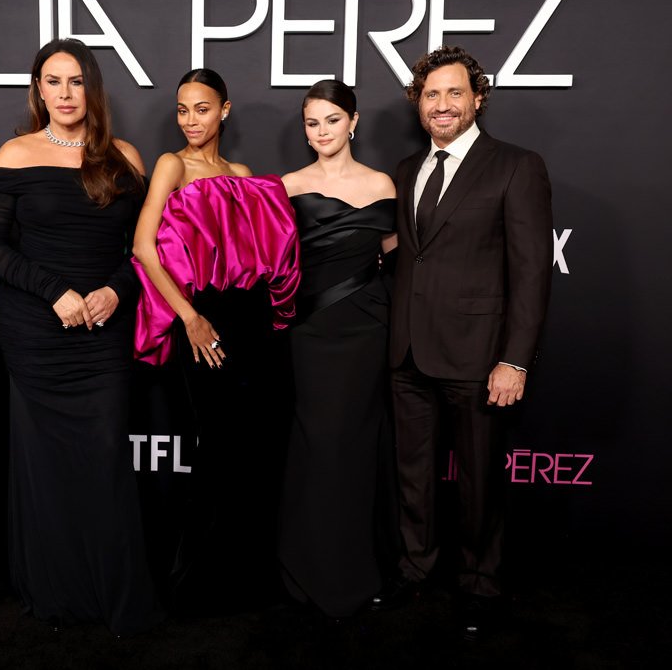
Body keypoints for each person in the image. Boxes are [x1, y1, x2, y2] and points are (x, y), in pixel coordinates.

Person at [0, 38, 161, 636]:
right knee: (45, 465)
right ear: (38, 90)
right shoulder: (15, 154)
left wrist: (112, 291)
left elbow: (145, 250)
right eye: (53, 82)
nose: (64, 93)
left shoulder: (123, 156)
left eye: (76, 81)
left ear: (92, 89)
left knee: (103, 462)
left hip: (102, 333)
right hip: (35, 331)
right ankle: (53, 589)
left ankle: (111, 591)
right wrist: (54, 291)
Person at [372, 46, 553, 640]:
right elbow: (411, 253)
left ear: (478, 98)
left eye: (454, 93)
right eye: (431, 95)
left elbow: (531, 272)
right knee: (413, 474)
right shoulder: (406, 170)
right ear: (417, 105)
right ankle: (415, 567)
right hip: (408, 352)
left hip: (479, 355)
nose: (442, 105)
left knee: (479, 478)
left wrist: (514, 358)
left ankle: (481, 583)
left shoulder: (515, 166)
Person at [132, 68, 300, 614]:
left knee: (254, 447)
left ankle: (249, 575)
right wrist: (189, 317)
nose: (190, 120)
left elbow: (262, 253)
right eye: (182, 109)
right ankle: (198, 585)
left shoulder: (243, 173)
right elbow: (143, 247)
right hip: (204, 318)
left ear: (224, 110)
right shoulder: (171, 165)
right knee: (217, 444)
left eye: (201, 109)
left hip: (253, 321)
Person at [278, 79, 397, 619]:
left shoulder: (382, 184)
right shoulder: (286, 185)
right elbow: (275, 264)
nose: (321, 131)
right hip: (311, 331)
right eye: (311, 122)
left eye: (330, 119)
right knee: (316, 444)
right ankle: (305, 566)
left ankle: (354, 568)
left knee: (355, 446)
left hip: (367, 328)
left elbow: (394, 260)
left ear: (353, 122)